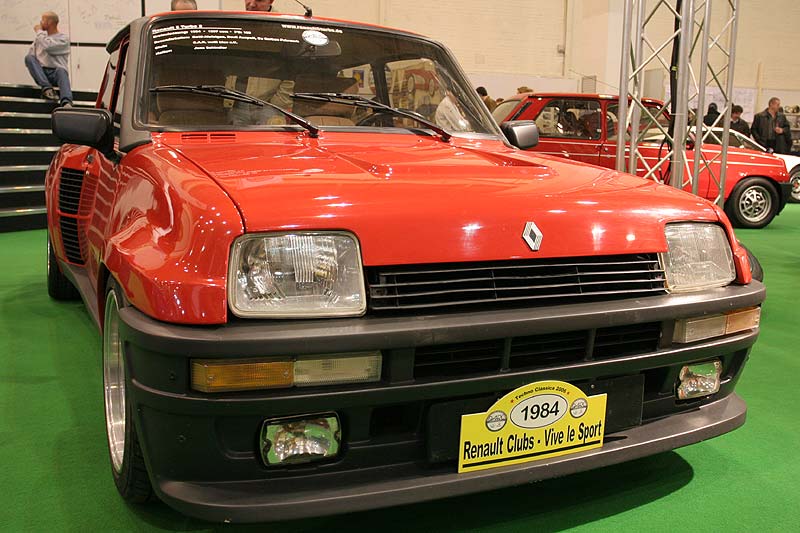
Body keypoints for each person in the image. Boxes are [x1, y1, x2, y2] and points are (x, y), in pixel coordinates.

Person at [24, 12, 72, 106]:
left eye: (43, 20)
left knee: (61, 71)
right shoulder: (40, 38)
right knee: (29, 58)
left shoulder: (63, 39)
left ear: (49, 22)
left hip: (55, 74)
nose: (40, 22)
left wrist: (39, 32)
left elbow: (48, 46)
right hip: (42, 74)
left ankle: (67, 102)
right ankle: (47, 89)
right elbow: (31, 57)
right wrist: (40, 35)